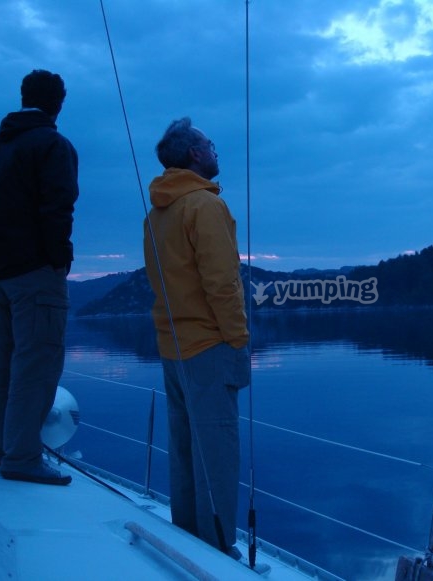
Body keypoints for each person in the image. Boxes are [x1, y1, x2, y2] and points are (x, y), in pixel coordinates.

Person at [143, 118, 250, 557]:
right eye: (210, 144)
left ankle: (187, 536)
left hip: (172, 349)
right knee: (218, 455)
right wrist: (239, 339)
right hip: (209, 347)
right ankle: (220, 550)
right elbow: (222, 282)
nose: (215, 150)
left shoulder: (157, 214)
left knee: (185, 449)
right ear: (194, 155)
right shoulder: (204, 208)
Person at [0, 69, 79, 486]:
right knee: (36, 364)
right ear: (58, 104)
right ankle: (22, 456)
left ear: (23, 97)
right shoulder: (52, 145)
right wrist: (59, 259)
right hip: (34, 274)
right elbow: (58, 207)